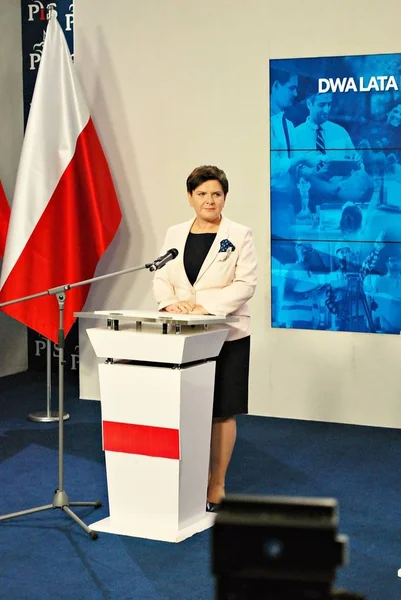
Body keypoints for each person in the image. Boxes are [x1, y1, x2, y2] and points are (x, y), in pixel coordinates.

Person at [153, 165, 258, 512]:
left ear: (225, 197)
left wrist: (202, 306)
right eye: (201, 194)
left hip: (226, 335)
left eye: (215, 194)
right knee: (188, 408)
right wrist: (170, 303)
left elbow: (246, 285)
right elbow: (161, 275)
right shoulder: (174, 233)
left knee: (222, 412)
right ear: (190, 198)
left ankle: (217, 483)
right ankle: (186, 479)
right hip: (183, 335)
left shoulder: (239, 234)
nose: (209, 200)